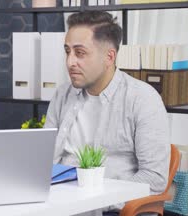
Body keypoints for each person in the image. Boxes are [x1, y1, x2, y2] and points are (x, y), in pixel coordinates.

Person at [44, 11, 170, 209]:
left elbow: (154, 178)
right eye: (67, 51)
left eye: (80, 53)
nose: (70, 62)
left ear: (109, 57)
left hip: (111, 209)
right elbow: (45, 160)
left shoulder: (142, 99)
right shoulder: (62, 95)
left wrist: (97, 202)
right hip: (57, 205)